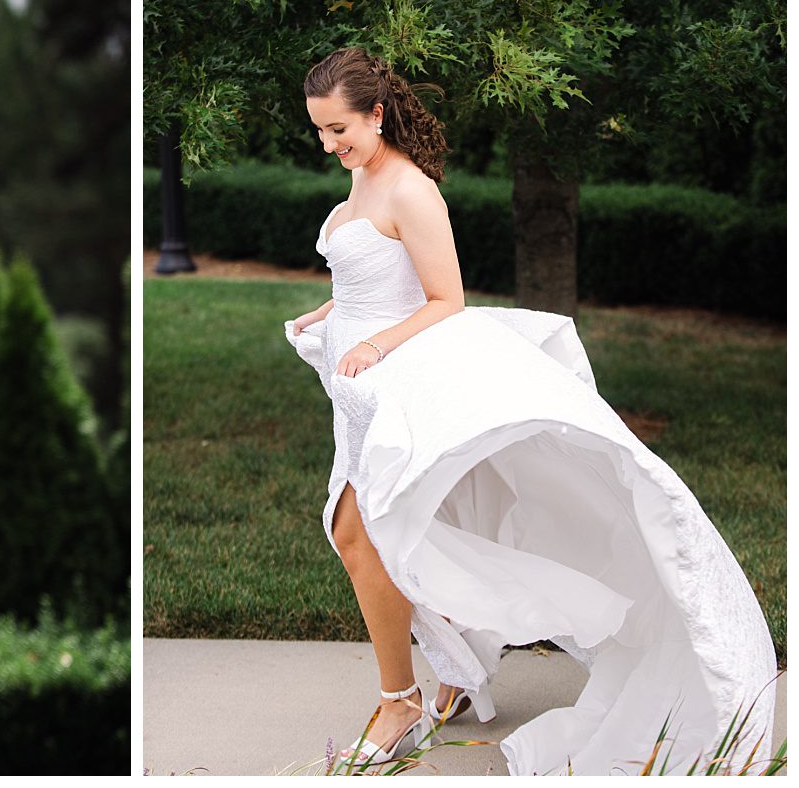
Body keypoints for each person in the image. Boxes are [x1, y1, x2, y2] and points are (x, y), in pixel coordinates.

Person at [284, 47, 777, 774]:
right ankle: (452, 673)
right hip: (358, 392)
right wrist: (331, 312)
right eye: (320, 132)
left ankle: (401, 702)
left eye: (339, 130)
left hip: (399, 380)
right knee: (410, 528)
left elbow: (445, 300)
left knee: (358, 534)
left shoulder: (411, 191)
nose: (329, 146)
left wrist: (378, 345)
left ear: (377, 114)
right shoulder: (363, 178)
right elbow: (372, 280)